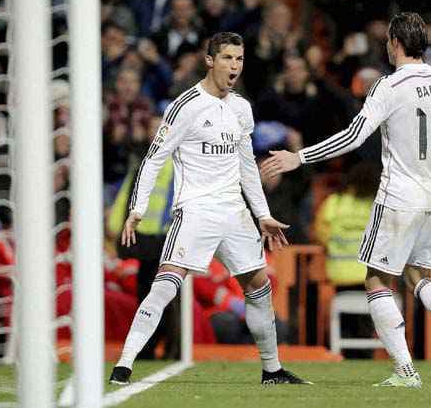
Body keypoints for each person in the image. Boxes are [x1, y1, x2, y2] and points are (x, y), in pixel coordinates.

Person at [262, 12, 431, 388]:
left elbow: (353, 137)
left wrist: (299, 157)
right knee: (418, 276)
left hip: (399, 193)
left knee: (376, 279)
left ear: (395, 43)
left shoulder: (390, 85)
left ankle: (405, 371)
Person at [108, 32, 311, 386]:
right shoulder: (185, 105)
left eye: (239, 59)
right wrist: (138, 208)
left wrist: (262, 214)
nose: (235, 66)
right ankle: (123, 366)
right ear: (210, 61)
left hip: (235, 211)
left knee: (259, 285)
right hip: (196, 210)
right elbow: (154, 159)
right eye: (228, 58)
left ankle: (272, 370)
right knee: (166, 282)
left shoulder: (241, 108)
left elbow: (246, 165)